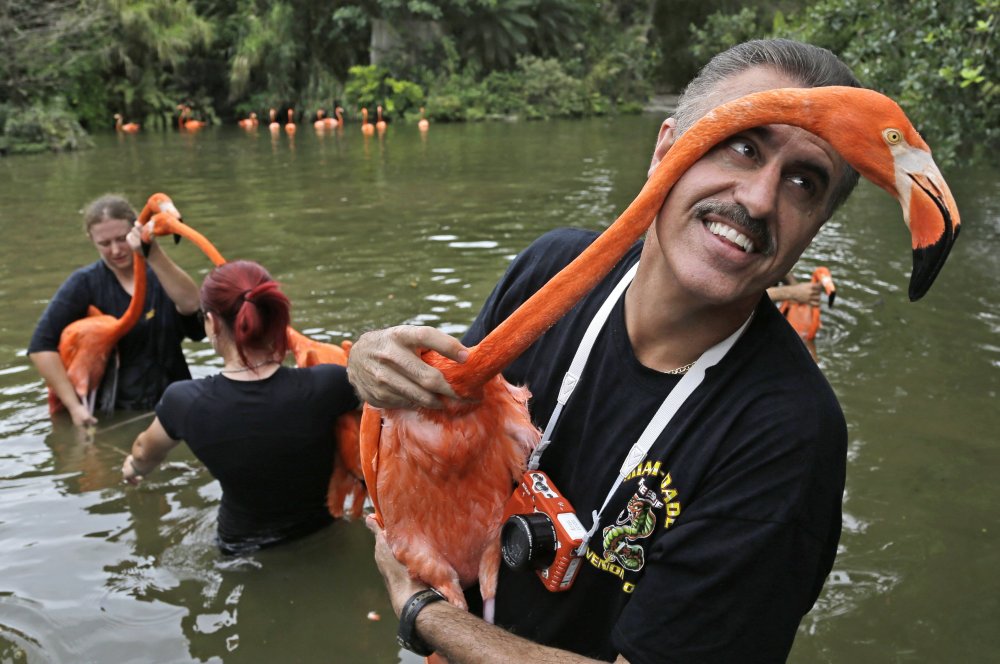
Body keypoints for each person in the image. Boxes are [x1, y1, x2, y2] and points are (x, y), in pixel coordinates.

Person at [349, 38, 865, 662]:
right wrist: (372, 364)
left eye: (803, 182)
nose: (758, 199)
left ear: (815, 227)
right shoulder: (553, 270)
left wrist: (421, 615)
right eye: (741, 144)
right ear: (666, 148)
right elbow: (445, 427)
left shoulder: (788, 437)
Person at [122, 260, 359, 555]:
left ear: (211, 322)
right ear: (276, 316)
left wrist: (133, 468)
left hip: (241, 549)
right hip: (322, 533)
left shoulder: (184, 401)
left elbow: (145, 452)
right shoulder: (330, 384)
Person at [28, 194, 204, 427]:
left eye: (122, 239)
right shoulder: (84, 283)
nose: (116, 250)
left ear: (135, 231)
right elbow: (40, 347)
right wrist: (75, 407)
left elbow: (193, 306)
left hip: (173, 399)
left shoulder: (162, 275)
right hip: (116, 413)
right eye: (104, 243)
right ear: (91, 240)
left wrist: (151, 252)